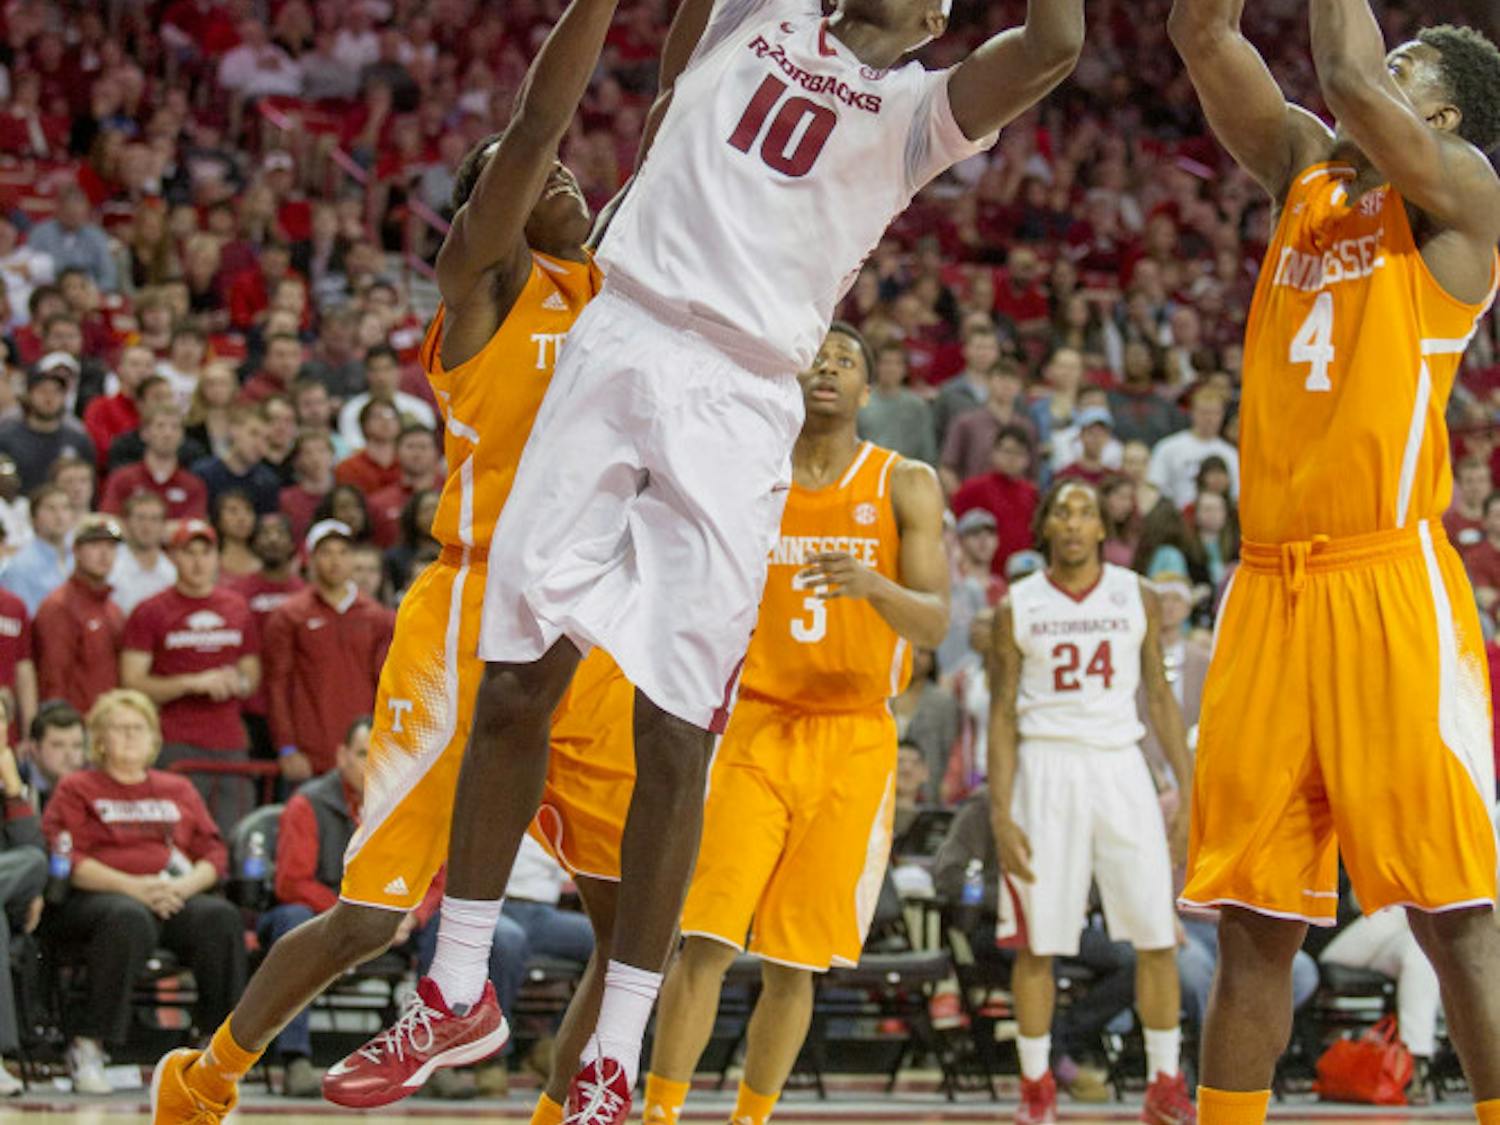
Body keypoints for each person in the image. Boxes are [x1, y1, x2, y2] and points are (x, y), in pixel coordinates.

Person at [421, 0, 1084, 1104]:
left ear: (935, 16)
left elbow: (1054, 46)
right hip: (627, 324)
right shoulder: (759, 15)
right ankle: (453, 987)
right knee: (519, 677)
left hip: (740, 393)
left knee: (679, 743)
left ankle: (618, 1064)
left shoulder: (921, 112)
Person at [148, 1, 631, 1119]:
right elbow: (539, 124)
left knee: (627, 910)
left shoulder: (621, 299)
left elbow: (672, 126)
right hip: (477, 604)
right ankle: (208, 1078)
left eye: (572, 181)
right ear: (487, 214)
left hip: (598, 614)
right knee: (369, 914)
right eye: (537, 179)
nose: (567, 186)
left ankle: (570, 1105)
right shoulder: (487, 289)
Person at [1168, 0, 1500, 1120]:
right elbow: (1205, 42)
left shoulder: (1462, 198)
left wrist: (1366, 63)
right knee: (1256, 918)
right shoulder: (1307, 167)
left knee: (1453, 914)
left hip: (1387, 579)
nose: (1376, 78)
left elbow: (1353, 75)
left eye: (1411, 69)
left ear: (1443, 114)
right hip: (1267, 588)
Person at [643, 324, 949, 1125]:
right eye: (818, 358)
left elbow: (936, 622)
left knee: (793, 960)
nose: (828, 369)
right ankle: (661, 1113)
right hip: (755, 728)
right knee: (705, 936)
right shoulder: (752, 477)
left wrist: (873, 585)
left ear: (868, 391)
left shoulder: (904, 482)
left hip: (854, 740)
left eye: (847, 361)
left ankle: (752, 1116)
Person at [986, 480, 1195, 1125]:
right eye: (1062, 513)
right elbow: (1000, 715)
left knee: (1157, 937)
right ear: (1046, 526)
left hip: (1120, 767)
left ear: (1104, 527)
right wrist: (999, 810)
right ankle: (1036, 1085)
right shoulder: (1016, 605)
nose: (1074, 524)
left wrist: (1189, 791)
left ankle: (1164, 1082)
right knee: (1038, 944)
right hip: (1045, 770)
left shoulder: (1137, 594)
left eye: (1086, 513)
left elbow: (1159, 697)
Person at [41, 690, 245, 1096]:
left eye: (139, 729)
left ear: (154, 739)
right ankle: (89, 1045)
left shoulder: (178, 788)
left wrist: (180, 887)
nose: (131, 737)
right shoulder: (77, 787)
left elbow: (214, 852)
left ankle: (214, 1051)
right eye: (119, 729)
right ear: (98, 740)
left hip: (171, 894)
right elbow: (70, 856)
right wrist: (135, 888)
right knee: (127, 919)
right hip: (101, 899)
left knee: (219, 919)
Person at [119, 519, 260, 836]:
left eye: (205, 552)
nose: (198, 562)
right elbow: (132, 681)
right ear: (173, 557)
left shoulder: (237, 608)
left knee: (234, 837)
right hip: (174, 742)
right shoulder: (150, 611)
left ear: (217, 558)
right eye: (189, 552)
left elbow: (252, 670)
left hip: (229, 742)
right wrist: (192, 683)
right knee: (177, 837)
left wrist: (238, 683)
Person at [259, 717, 372, 1097]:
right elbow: (292, 883)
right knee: (294, 920)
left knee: (442, 923)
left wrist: (411, 913)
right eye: (363, 754)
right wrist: (355, 913)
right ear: (341, 756)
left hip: (384, 913)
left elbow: (435, 878)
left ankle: (439, 1063)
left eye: (384, 755)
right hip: (318, 911)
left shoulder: (407, 802)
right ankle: (295, 1059)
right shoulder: (308, 802)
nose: (373, 765)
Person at [263, 519, 393, 780]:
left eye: (343, 552)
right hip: (308, 759)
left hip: (365, 756)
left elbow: (387, 686)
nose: (335, 561)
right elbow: (277, 684)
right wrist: (286, 747)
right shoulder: (288, 616)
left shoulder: (379, 618)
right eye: (326, 552)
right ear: (310, 559)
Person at [225, 514, 306, 760]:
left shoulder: (306, 594)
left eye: (279, 534)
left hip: (297, 709)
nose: (272, 540)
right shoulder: (236, 594)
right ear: (254, 543)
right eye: (265, 534)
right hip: (252, 707)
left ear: (293, 544)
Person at [32, 514, 124, 715]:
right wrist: (61, 728)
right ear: (76, 550)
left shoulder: (112, 608)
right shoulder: (59, 606)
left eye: (110, 547)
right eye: (94, 545)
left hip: (106, 723)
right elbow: (53, 679)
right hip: (75, 728)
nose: (104, 554)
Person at [951, 425, 1040, 573]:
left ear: (1028, 459)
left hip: (1022, 574)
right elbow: (955, 532)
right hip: (982, 575)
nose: (1012, 458)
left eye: (1019, 453)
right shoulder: (972, 489)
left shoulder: (1032, 493)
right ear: (994, 453)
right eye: (1007, 451)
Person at [101, 405, 210, 524]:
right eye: (160, 426)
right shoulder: (122, 479)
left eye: (175, 427)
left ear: (182, 436)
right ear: (144, 433)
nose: (168, 434)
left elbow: (194, 529)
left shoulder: (193, 485)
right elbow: (108, 522)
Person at [0, 361, 95, 493]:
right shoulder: (6, 438)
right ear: (28, 395)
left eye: (57, 392)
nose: (49, 398)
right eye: (42, 391)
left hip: (63, 509)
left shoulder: (78, 440)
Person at [1144, 388, 1238, 510]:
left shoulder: (1231, 454)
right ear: (1192, 412)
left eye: (1215, 413)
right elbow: (1153, 487)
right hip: (1175, 518)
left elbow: (1236, 496)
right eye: (1204, 412)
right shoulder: (1168, 447)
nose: (1209, 418)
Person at [336, 345, 437, 449]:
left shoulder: (420, 409)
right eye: (374, 370)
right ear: (366, 373)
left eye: (387, 369)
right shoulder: (351, 410)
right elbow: (353, 449)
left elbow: (427, 449)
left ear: (399, 371)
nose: (381, 377)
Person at [190, 404, 282, 514]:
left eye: (266, 439)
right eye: (253, 434)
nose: (259, 444)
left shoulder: (268, 482)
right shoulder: (203, 474)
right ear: (234, 431)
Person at [856, 342, 937, 465]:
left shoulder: (917, 405)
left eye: (897, 363)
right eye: (886, 363)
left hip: (905, 473)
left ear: (905, 369)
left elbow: (927, 450)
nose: (891, 368)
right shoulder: (859, 401)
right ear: (876, 366)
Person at [0, 483, 74, 615]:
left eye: (66, 508)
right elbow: (21, 617)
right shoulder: (19, 567)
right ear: (33, 518)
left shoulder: (78, 559)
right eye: (51, 508)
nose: (59, 515)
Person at [107, 491, 178, 616]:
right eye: (140, 518)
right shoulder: (108, 565)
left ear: (163, 526)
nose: (147, 526)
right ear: (125, 523)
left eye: (154, 519)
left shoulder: (172, 573)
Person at [17, 701, 84, 813]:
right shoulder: (15, 785)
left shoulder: (92, 787)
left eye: (77, 746)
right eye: (58, 745)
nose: (70, 755)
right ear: (35, 749)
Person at [1445, 455, 1491, 550]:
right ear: (1459, 485)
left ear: (1489, 483)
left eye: (1481, 480)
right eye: (1469, 481)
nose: (1476, 487)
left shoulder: (1497, 519)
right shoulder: (1448, 523)